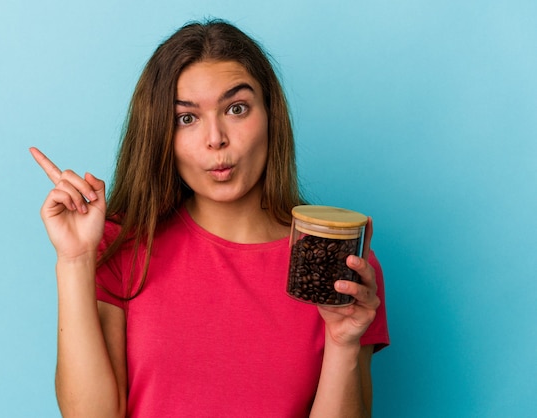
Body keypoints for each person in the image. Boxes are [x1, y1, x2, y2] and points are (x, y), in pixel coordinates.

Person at [31, 19, 389, 418]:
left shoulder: (333, 261)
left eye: (236, 109)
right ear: (160, 134)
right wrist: (75, 261)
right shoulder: (123, 244)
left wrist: (343, 343)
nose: (215, 138)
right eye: (187, 118)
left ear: (270, 115)